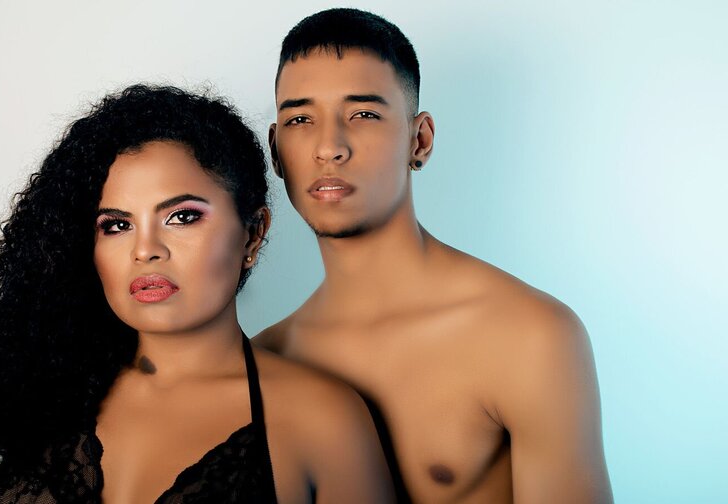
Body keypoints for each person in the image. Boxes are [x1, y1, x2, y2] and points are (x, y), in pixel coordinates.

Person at [0, 84, 393, 503]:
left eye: (182, 217)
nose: (145, 250)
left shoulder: (322, 420)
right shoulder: (53, 393)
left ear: (252, 233)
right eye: (117, 225)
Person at [255, 8, 613, 504]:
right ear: (276, 151)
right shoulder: (267, 359)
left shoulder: (529, 335)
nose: (329, 148)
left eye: (363, 114)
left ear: (419, 140)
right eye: (300, 119)